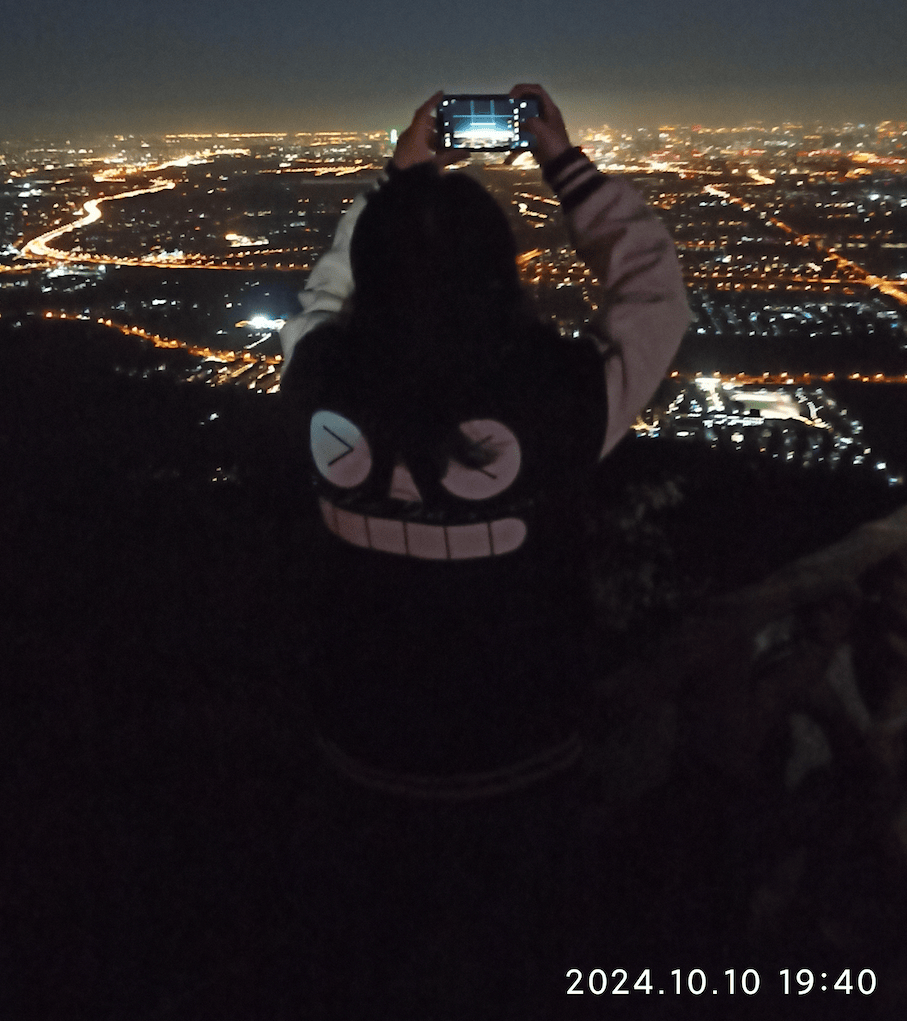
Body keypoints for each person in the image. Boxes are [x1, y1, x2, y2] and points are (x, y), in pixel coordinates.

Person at [279, 84, 691, 799]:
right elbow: (655, 296)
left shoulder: (320, 380)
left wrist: (398, 185)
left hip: (352, 746)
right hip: (522, 752)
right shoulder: (560, 398)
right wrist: (563, 163)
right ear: (502, 273)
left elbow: (321, 301)